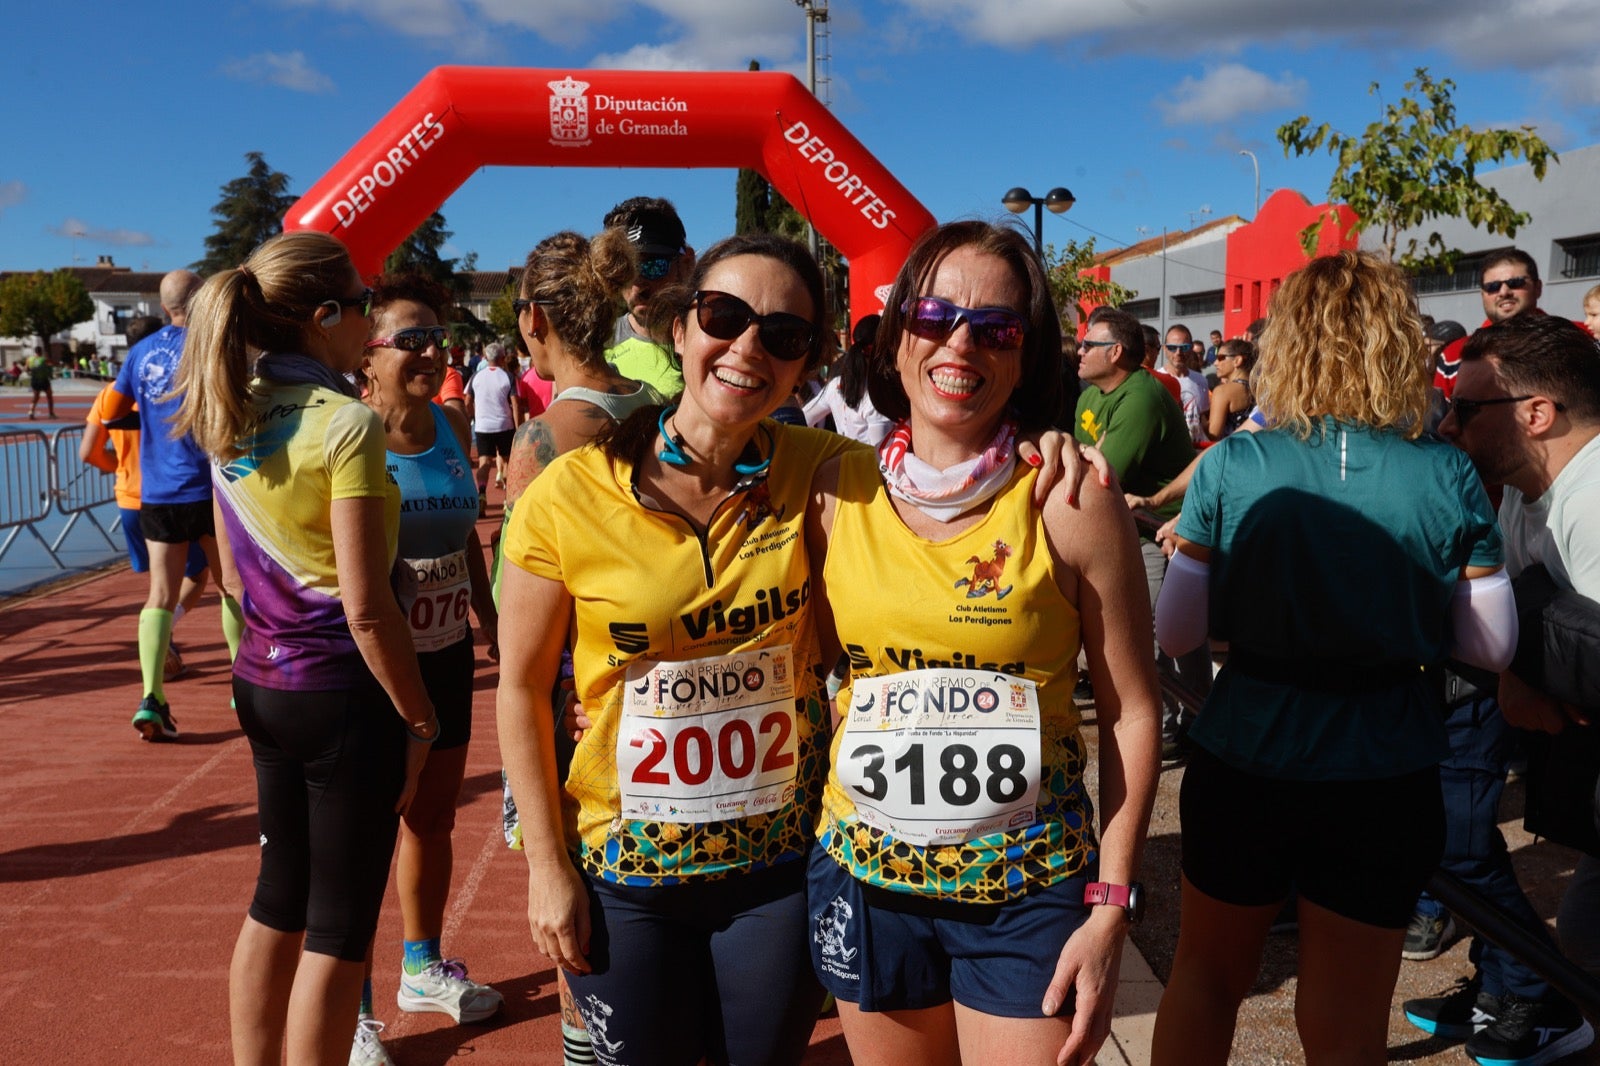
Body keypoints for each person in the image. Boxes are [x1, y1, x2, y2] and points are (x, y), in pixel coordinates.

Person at [806, 220, 1161, 1066]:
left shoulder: (1072, 502)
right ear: (895, 340)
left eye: (996, 328)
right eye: (932, 316)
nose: (960, 343)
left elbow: (1131, 715)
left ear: (1024, 356)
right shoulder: (829, 491)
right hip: (866, 878)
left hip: (1026, 893)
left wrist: (1111, 904)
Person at [498, 233, 855, 1066]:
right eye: (725, 317)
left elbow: (954, 478)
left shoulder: (828, 471)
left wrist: (1037, 446)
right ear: (680, 328)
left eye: (784, 335)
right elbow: (518, 689)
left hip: (775, 870)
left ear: (808, 363)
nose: (747, 349)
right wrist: (547, 869)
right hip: (628, 876)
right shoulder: (569, 493)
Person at [1149, 250, 1513, 1066]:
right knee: (1349, 1013)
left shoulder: (1238, 463)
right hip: (1387, 764)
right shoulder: (1445, 469)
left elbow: (1174, 635)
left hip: (1247, 752)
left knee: (1205, 978)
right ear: (1397, 342)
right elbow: (1490, 646)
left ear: (1290, 345)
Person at [172, 231, 437, 1066]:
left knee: (276, 898)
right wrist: (420, 721)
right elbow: (366, 608)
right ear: (325, 317)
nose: (370, 324)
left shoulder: (227, 410)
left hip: (263, 681)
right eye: (363, 305)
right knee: (339, 926)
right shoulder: (346, 425)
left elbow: (234, 586)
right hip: (343, 696)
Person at [1406, 313, 1598, 1066]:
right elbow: (1519, 606)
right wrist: (1519, 676)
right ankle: (1508, 984)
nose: (1448, 424)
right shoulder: (1525, 487)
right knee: (1581, 932)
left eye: (1466, 408)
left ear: (1536, 414)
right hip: (1565, 745)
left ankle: (1530, 997)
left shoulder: (1591, 502)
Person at [497, 226, 666, 1066]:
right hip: (658, 697)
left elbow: (523, 618)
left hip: (578, 712)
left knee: (578, 939)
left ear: (534, 321)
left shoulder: (546, 438)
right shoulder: (653, 404)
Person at [349, 274, 503, 1066]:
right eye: (409, 338)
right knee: (367, 833)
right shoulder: (350, 436)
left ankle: (420, 967)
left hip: (443, 656)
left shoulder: (449, 424)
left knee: (433, 820)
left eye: (435, 336)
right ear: (367, 357)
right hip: (378, 666)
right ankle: (355, 1011)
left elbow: (468, 535)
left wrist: (487, 614)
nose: (429, 350)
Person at [104, 269, 241, 741]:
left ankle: (152, 695)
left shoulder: (140, 353)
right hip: (209, 487)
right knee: (230, 587)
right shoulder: (211, 346)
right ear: (201, 301)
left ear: (164, 308)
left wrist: (150, 415)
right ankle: (242, 683)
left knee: (159, 595)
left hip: (157, 491)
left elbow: (110, 412)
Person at [1074, 308, 1206, 759]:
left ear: (1115, 352)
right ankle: (1190, 717)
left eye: (1089, 344)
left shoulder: (1141, 396)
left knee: (1161, 631)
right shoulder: (1090, 395)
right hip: (1126, 523)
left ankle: (1182, 724)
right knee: (1159, 630)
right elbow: (1082, 461)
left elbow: (1102, 473)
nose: (1079, 350)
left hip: (1165, 530)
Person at [81, 320, 210, 683]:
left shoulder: (110, 394)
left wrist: (118, 468)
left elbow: (88, 451)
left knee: (156, 587)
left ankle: (154, 678)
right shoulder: (182, 385)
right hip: (178, 490)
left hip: (131, 500)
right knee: (201, 576)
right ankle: (168, 636)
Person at [601, 196, 693, 398]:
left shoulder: (712, 340)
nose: (637, 286)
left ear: (687, 263)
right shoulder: (598, 346)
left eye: (653, 266)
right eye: (624, 270)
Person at [1433, 248, 1546, 401]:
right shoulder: (1455, 355)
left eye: (1515, 283)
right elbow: (1443, 421)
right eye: (1493, 286)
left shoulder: (1574, 339)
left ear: (1538, 288)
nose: (1504, 292)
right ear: (1482, 295)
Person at [803, 313, 894, 445]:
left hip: (846, 462)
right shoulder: (876, 397)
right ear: (880, 348)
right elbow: (880, 457)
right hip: (867, 463)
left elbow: (803, 418)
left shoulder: (835, 386)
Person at [464, 342, 519, 511]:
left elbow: (467, 401)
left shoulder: (476, 377)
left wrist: (473, 417)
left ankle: (481, 492)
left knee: (484, 462)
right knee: (508, 461)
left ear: (487, 358)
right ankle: (508, 499)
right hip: (504, 424)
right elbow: (515, 404)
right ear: (502, 358)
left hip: (483, 426)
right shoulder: (507, 376)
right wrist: (518, 428)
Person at [1162, 324, 1210, 444]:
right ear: (1164, 349)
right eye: (1172, 347)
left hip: (1195, 450)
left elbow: (1203, 418)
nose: (1178, 352)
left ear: (1191, 348)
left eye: (1184, 347)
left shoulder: (1201, 380)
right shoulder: (1155, 379)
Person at [1205, 339, 1254, 440]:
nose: (1215, 363)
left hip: (1232, 451)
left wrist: (1200, 420)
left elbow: (1213, 434)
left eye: (1220, 358)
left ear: (1237, 361)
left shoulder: (1222, 391)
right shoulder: (1259, 389)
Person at [27, 346, 55, 419]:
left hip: (34, 380)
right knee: (49, 396)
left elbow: (26, 368)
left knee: (36, 397)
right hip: (43, 379)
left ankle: (31, 411)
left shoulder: (29, 359)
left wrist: (32, 370)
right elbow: (51, 365)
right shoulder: (44, 359)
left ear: (35, 352)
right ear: (41, 351)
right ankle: (51, 413)